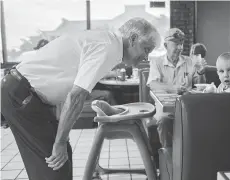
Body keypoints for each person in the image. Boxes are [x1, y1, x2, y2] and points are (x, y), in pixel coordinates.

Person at [1, 17, 160, 180]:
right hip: (21, 94)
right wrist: (60, 141)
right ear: (133, 39)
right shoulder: (108, 48)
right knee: (54, 166)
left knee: (61, 157)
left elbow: (64, 83)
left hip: (22, 92)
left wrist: (61, 134)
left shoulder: (107, 42)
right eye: (146, 49)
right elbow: (76, 96)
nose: (146, 57)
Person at [147, 28, 207, 148]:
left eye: (181, 43)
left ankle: (191, 153)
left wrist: (200, 73)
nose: (180, 47)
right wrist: (174, 88)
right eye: (176, 44)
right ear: (165, 45)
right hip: (166, 106)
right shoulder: (157, 62)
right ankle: (168, 153)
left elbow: (200, 85)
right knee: (163, 119)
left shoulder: (190, 61)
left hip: (188, 105)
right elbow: (153, 84)